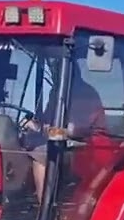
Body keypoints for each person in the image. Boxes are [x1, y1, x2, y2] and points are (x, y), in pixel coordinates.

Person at [23, 64, 107, 203]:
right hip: (66, 139)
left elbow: (74, 130)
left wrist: (40, 129)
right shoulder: (58, 90)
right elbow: (48, 120)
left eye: (55, 68)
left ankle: (44, 210)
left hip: (88, 144)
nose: (53, 72)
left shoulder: (83, 93)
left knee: (40, 153)